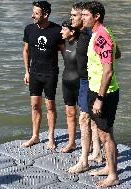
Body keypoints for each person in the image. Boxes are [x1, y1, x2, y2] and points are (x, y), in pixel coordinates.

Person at [83, 1, 120, 187]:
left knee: (105, 135)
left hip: (103, 93)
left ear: (96, 16)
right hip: (96, 88)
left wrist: (99, 98)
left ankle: (113, 175)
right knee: (106, 131)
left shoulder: (101, 37)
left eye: (85, 15)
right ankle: (109, 167)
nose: (82, 18)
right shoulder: (102, 33)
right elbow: (118, 53)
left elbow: (108, 71)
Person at [22, 1, 64, 150]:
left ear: (45, 14)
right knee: (35, 105)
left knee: (50, 106)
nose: (32, 15)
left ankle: (51, 137)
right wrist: (26, 71)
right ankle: (35, 136)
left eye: (36, 13)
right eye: (33, 12)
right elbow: (26, 51)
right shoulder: (29, 29)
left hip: (50, 73)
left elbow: (64, 50)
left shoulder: (57, 30)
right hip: (34, 73)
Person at [68, 1, 103, 174]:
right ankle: (96, 152)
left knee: (84, 119)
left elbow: (115, 53)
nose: (72, 18)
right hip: (84, 81)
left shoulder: (92, 34)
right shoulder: (81, 33)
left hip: (89, 81)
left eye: (75, 15)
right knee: (92, 120)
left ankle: (83, 161)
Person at [59, 20, 80, 153]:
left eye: (64, 29)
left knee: (85, 116)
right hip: (66, 81)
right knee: (70, 113)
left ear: (72, 31)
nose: (61, 31)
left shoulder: (81, 44)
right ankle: (71, 143)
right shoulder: (62, 43)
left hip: (80, 82)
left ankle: (89, 144)